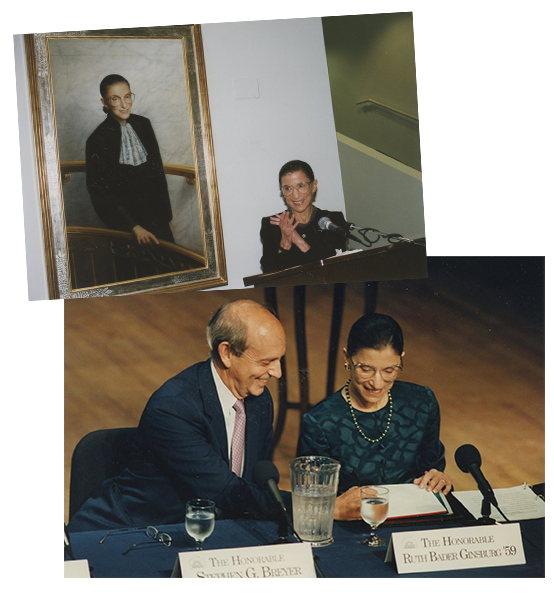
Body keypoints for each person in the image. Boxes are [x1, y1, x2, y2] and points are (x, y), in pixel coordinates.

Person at [67, 299, 287, 532]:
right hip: (131, 536)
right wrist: (314, 507)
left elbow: (255, 487)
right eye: (266, 362)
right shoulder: (174, 407)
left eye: (279, 359)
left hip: (208, 534)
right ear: (227, 353)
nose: (278, 372)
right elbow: (227, 492)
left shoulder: (259, 401)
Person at [296, 313, 453, 521]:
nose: (377, 383)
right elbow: (308, 504)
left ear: (400, 360)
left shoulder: (422, 403)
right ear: (347, 359)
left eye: (389, 370)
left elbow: (432, 467)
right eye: (366, 369)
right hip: (353, 525)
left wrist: (437, 478)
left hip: (414, 519)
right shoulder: (321, 422)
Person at [86, 74, 174, 245]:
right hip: (126, 225)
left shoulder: (144, 125)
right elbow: (101, 193)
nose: (124, 104)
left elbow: (158, 175)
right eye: (115, 99)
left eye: (127, 96)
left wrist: (167, 218)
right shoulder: (97, 140)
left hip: (157, 217)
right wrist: (134, 227)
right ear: (104, 102)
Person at [260, 159, 348, 273]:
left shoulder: (332, 221)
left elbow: (334, 269)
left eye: (301, 186)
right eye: (288, 188)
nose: (295, 196)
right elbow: (268, 272)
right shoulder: (272, 224)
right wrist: (285, 243)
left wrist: (299, 241)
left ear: (314, 186)